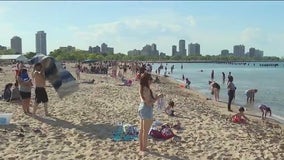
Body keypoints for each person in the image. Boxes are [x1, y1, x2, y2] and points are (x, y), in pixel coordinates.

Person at [138, 72, 163, 154]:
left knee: (142, 130)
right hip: (146, 109)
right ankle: (144, 148)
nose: (151, 80)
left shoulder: (142, 88)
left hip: (141, 108)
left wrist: (154, 98)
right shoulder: (147, 89)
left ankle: (141, 147)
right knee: (145, 131)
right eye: (150, 79)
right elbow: (149, 103)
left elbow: (146, 100)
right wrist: (157, 98)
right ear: (147, 80)